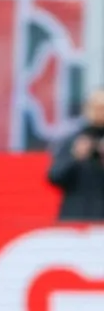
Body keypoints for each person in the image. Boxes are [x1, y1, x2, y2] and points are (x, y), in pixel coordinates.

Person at [47, 88, 104, 221]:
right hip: (76, 219)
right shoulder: (73, 141)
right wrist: (76, 157)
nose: (100, 112)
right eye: (96, 107)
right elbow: (54, 177)